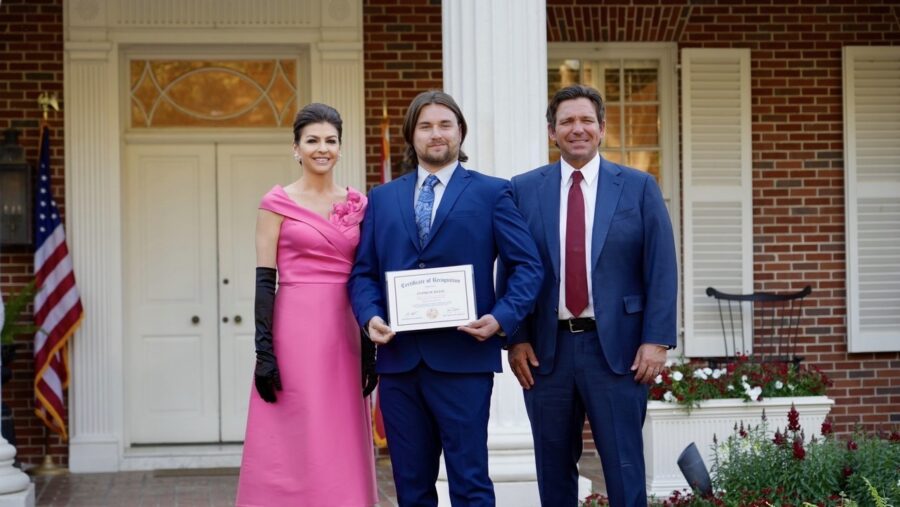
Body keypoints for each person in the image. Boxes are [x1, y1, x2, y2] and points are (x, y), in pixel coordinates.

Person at [348, 90, 543, 507]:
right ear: (411, 136)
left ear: (460, 132)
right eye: (425, 126)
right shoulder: (381, 198)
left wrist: (501, 318)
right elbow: (363, 272)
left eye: (444, 125)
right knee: (411, 486)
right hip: (400, 361)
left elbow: (528, 266)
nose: (435, 134)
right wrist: (369, 317)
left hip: (463, 358)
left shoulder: (492, 193)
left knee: (469, 482)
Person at [499, 84, 677, 507]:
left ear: (601, 128)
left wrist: (657, 340)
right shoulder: (523, 190)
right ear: (551, 132)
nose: (576, 129)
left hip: (617, 350)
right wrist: (516, 337)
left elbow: (661, 267)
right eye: (566, 122)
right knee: (553, 467)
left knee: (624, 466)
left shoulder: (638, 187)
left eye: (585, 120)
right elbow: (510, 267)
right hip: (546, 350)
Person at [236, 103, 378, 507]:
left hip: (344, 329)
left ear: (340, 148)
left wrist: (369, 349)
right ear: (296, 148)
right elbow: (265, 280)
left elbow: (364, 276)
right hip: (293, 327)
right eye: (312, 140)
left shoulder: (359, 204)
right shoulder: (276, 202)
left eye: (330, 141)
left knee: (340, 428)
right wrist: (264, 351)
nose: (322, 149)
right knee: (291, 426)